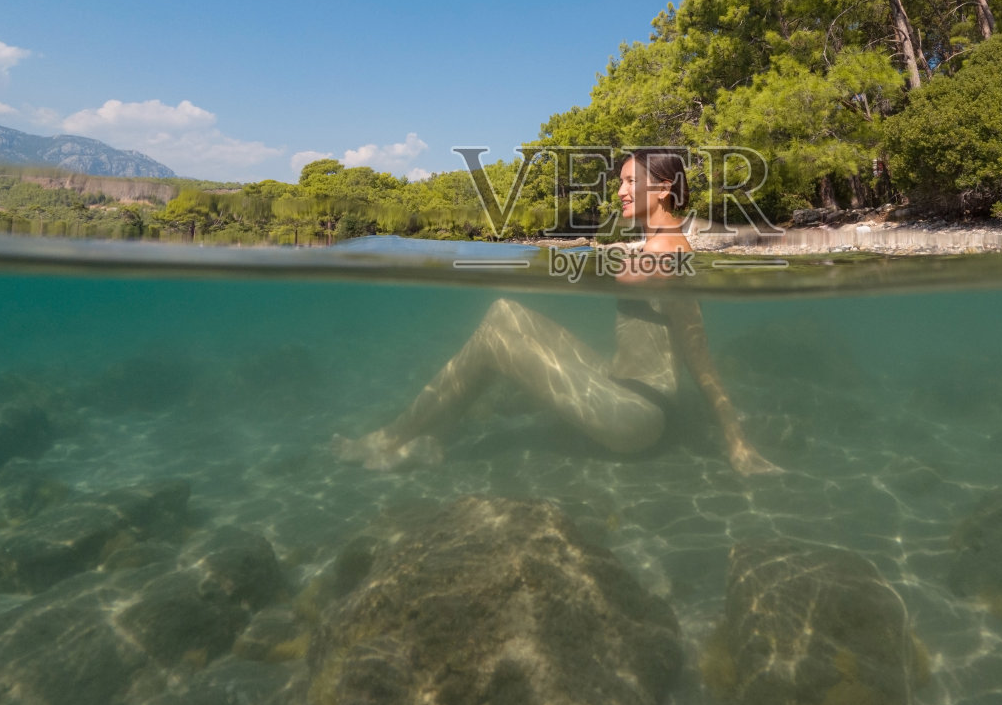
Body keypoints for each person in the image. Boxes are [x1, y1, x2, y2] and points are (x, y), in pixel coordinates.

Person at [334, 148, 779, 475]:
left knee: (495, 336)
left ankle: (393, 439)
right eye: (620, 182)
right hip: (617, 382)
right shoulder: (661, 245)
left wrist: (737, 444)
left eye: (629, 182)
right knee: (504, 311)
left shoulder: (668, 252)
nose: (619, 191)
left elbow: (697, 355)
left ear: (663, 189)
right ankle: (425, 435)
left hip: (637, 413)